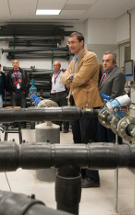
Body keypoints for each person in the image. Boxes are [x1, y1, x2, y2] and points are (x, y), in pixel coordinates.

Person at [61, 31, 103, 188]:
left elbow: (78, 79)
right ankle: (83, 173)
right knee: (78, 141)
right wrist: (73, 79)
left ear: (81, 43)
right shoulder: (74, 60)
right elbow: (63, 79)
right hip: (75, 104)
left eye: (73, 42)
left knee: (88, 142)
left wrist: (73, 79)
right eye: (69, 43)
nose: (70, 45)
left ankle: (93, 177)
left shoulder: (90, 57)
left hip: (87, 105)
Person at [98, 51, 125, 144]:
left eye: (107, 61)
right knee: (103, 140)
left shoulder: (118, 74)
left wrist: (102, 106)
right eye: (103, 61)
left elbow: (115, 95)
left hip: (113, 114)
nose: (104, 63)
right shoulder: (105, 73)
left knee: (113, 140)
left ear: (114, 62)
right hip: (104, 113)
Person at [7, 59, 28, 128]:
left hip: (22, 93)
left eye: (16, 63)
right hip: (14, 94)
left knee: (23, 109)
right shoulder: (10, 73)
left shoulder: (23, 72)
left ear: (19, 64)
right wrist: (11, 92)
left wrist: (25, 90)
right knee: (14, 110)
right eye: (14, 63)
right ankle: (15, 123)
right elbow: (7, 83)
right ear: (12, 64)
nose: (15, 64)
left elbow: (28, 82)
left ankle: (23, 123)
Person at [50, 61, 69, 133]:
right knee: (55, 112)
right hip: (54, 95)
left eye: (57, 65)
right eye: (54, 65)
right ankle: (57, 127)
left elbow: (67, 83)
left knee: (64, 112)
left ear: (60, 66)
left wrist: (66, 94)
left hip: (62, 94)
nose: (55, 66)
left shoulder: (63, 73)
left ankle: (66, 128)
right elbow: (51, 84)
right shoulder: (52, 74)